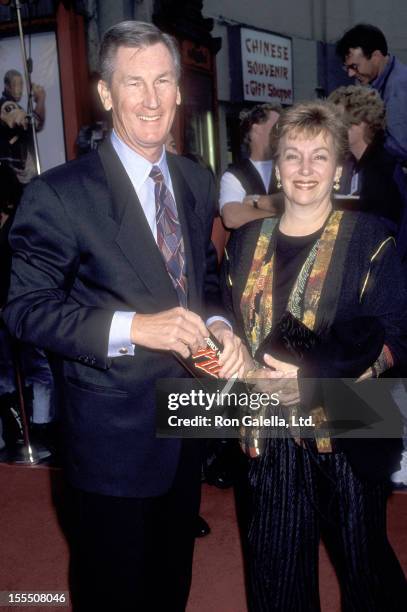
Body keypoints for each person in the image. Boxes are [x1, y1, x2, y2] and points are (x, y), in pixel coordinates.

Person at [3, 20, 244, 611]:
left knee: (171, 584)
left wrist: (219, 327)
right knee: (113, 593)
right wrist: (135, 327)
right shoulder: (60, 194)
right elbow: (25, 310)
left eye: (164, 80)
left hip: (187, 421)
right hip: (109, 438)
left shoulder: (193, 178)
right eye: (134, 83)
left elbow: (203, 284)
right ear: (106, 94)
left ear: (180, 91)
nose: (152, 98)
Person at [221, 101, 407, 610]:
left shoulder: (371, 238)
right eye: (293, 156)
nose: (305, 170)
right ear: (275, 166)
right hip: (269, 430)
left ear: (339, 168)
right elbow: (226, 319)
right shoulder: (244, 243)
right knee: (276, 576)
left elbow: (396, 333)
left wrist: (317, 382)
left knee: (366, 568)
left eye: (319, 157)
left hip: (351, 419)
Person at [328, 85, 407, 244]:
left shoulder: (382, 168)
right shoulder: (355, 163)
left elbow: (384, 229)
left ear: (361, 122)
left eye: (339, 121)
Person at [335, 23, 407, 163]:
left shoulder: (398, 88)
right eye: (347, 68)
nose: (350, 74)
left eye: (354, 67)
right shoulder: (385, 81)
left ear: (376, 56)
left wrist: (365, 137)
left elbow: (402, 147)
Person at [220, 103, 281, 229]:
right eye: (277, 126)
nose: (282, 132)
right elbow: (232, 217)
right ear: (256, 128)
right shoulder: (234, 175)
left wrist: (255, 203)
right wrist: (282, 215)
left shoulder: (289, 166)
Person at [0, 69, 46, 184]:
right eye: (16, 84)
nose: (20, 89)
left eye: (21, 84)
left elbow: (37, 125)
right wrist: (40, 99)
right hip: (13, 175)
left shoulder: (16, 106)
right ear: (7, 86)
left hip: (19, 174)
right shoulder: (7, 105)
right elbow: (32, 123)